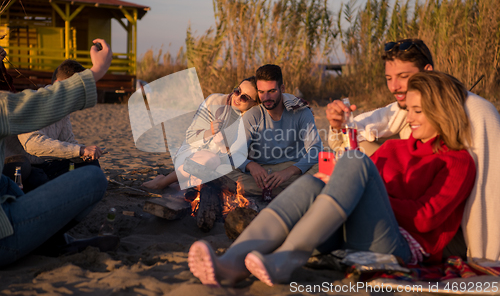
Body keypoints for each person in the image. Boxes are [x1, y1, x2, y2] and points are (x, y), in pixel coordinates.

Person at [188, 71, 476, 287]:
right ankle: (231, 262)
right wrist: (343, 185)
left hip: (398, 247)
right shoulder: (395, 147)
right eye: (408, 110)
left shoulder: (457, 161)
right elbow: (352, 182)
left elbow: (424, 220)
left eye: (418, 111)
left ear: (442, 111)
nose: (409, 119)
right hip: (354, 234)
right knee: (314, 183)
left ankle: (289, 256)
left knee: (355, 160)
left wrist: (367, 192)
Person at [326, 38, 500, 262]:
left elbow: (489, 191)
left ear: (427, 72)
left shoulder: (476, 112)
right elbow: (358, 127)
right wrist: (338, 122)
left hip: (448, 230)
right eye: (389, 78)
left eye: (403, 77)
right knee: (359, 148)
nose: (393, 87)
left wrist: (484, 258)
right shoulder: (405, 107)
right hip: (407, 216)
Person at [0, 40, 116, 267]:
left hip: (14, 188)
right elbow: (34, 142)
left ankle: (50, 237)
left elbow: (68, 141)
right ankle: (49, 240)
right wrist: (97, 71)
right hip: (8, 227)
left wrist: (83, 153)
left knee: (88, 167)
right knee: (90, 179)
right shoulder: (14, 105)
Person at [142, 76, 260, 190]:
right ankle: (163, 182)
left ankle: (177, 186)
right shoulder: (214, 101)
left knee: (215, 177)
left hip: (220, 162)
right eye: (237, 91)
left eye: (245, 98)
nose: (238, 97)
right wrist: (209, 132)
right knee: (212, 160)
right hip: (192, 155)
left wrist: (222, 147)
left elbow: (238, 154)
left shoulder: (250, 120)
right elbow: (190, 137)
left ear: (254, 104)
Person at [4, 60, 105, 191]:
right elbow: (32, 144)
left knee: (90, 165)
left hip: (42, 164)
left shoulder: (63, 109)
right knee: (37, 177)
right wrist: (79, 150)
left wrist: (84, 153)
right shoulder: (34, 101)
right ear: (58, 85)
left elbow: (68, 141)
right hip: (16, 165)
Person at [225, 64, 322, 196]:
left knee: (327, 163)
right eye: (261, 92)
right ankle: (291, 191)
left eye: (271, 91)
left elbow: (315, 150)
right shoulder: (253, 115)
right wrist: (251, 165)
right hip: (261, 174)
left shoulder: (300, 111)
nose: (266, 98)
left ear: (282, 88)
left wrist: (290, 171)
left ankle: (273, 191)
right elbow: (236, 152)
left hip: (293, 168)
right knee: (222, 169)